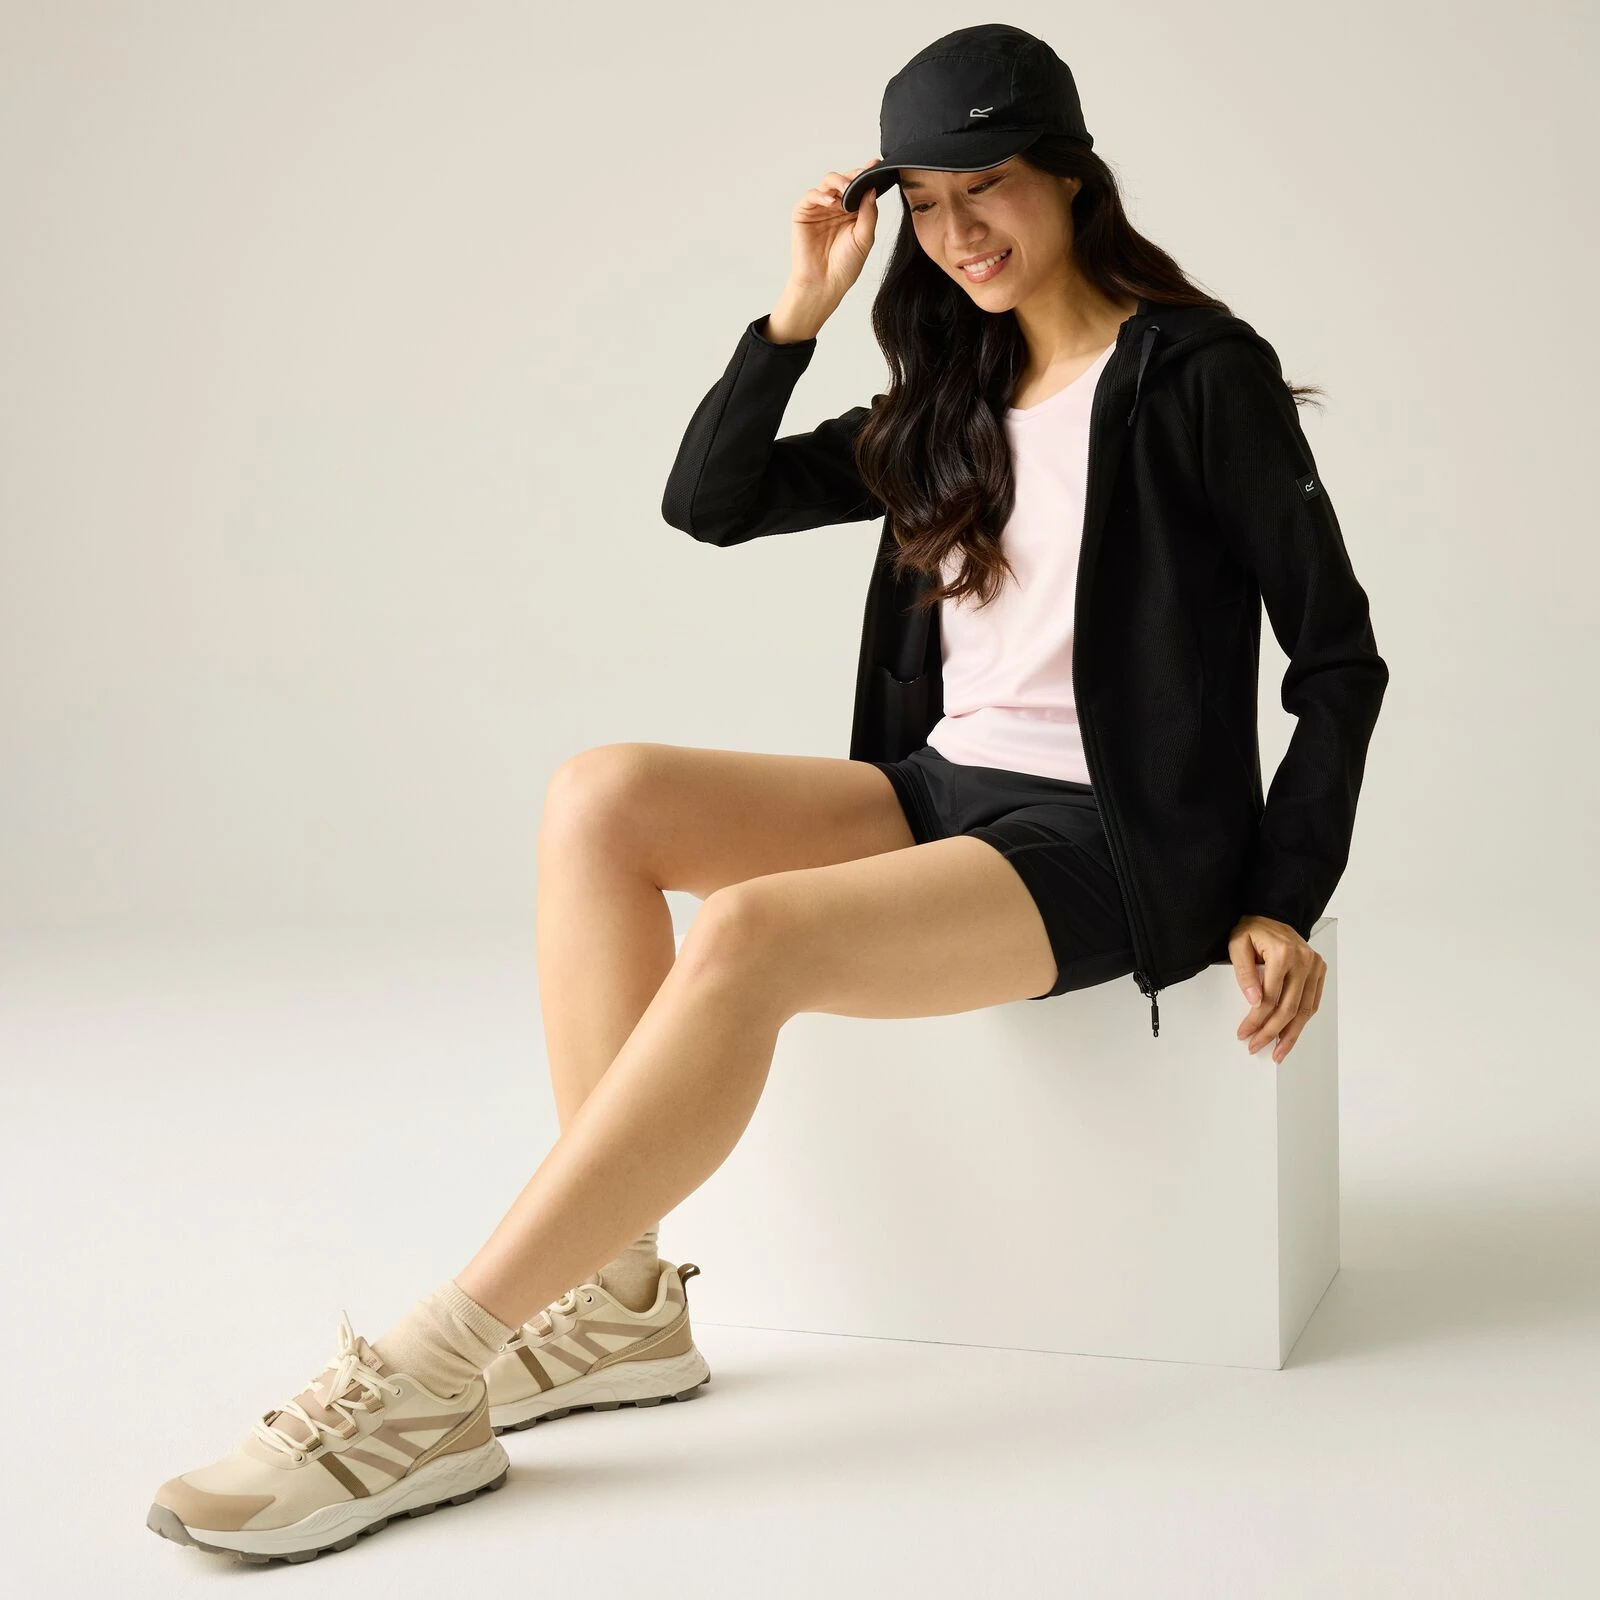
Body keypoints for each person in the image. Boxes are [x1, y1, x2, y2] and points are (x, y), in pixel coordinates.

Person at [146, 22, 1387, 1564]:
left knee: (747, 934)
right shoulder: (959, 384)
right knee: (600, 796)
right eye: (925, 204)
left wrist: (1281, 894)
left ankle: (426, 1374)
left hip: (1114, 844)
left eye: (987, 188)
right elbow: (711, 500)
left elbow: (1338, 659)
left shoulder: (1197, 375)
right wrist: (799, 311)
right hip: (942, 793)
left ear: (1071, 175)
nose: (958, 233)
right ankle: (616, 1309)